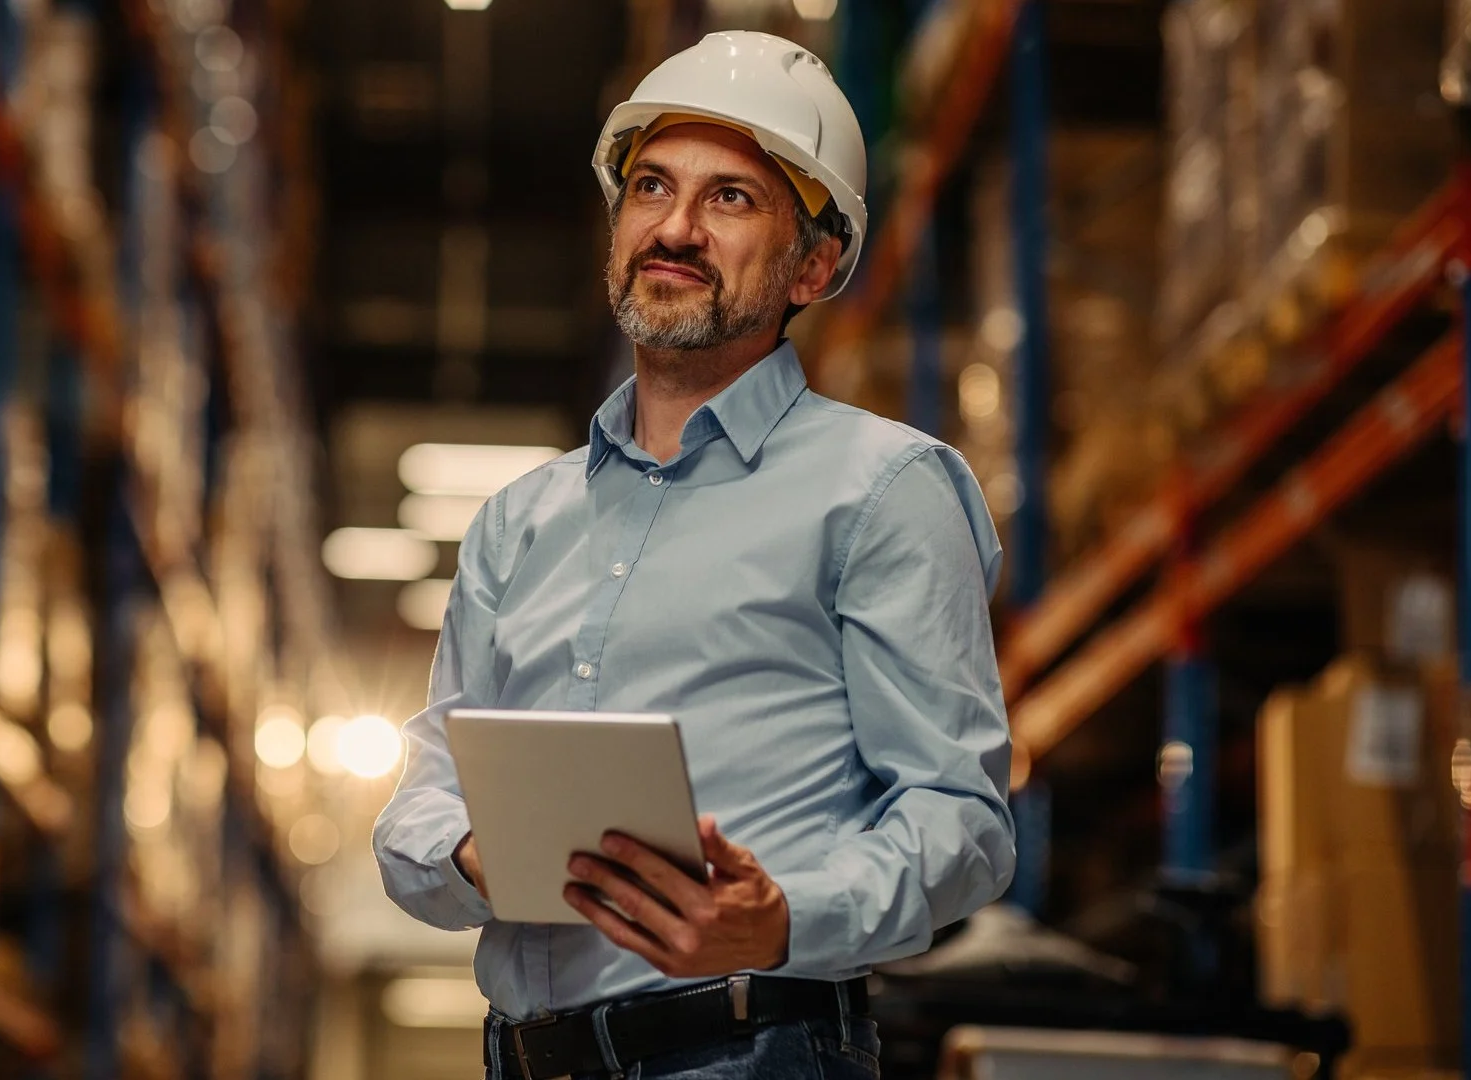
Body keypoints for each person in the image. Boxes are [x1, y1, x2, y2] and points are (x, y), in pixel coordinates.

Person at [374, 29, 1015, 1080]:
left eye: (730, 199)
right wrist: (477, 853)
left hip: (751, 1050)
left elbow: (962, 823)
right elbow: (423, 798)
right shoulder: (519, 522)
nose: (673, 227)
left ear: (815, 264)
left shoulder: (884, 488)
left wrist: (780, 921)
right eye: (651, 188)